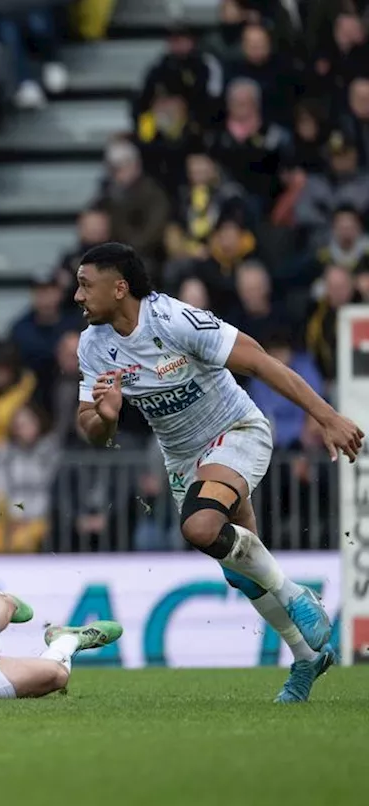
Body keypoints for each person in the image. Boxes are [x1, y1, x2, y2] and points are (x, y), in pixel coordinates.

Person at [74, 242, 362, 703]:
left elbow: (261, 361)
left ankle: (296, 594)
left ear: (120, 287)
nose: (78, 295)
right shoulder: (93, 345)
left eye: (86, 284)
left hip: (236, 430)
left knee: (200, 526)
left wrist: (327, 416)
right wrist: (106, 418)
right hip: (183, 458)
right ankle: (308, 657)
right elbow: (89, 428)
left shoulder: (173, 320)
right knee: (244, 573)